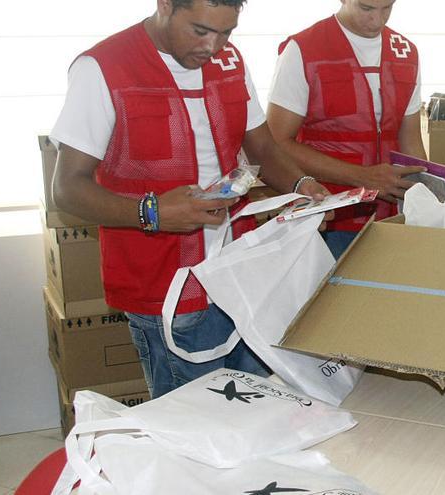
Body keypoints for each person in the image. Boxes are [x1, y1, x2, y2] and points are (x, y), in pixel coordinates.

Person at [50, 0, 330, 398]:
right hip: (167, 291)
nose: (213, 47)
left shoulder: (229, 61)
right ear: (165, 5)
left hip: (240, 281)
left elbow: (263, 151)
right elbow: (67, 189)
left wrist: (302, 187)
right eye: (200, 30)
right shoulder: (103, 68)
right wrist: (152, 212)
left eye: (226, 32)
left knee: (261, 411)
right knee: (192, 432)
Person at [266, 0, 428, 259]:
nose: (377, 20)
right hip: (328, 217)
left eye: (387, 8)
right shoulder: (303, 49)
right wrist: (362, 177)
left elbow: (410, 138)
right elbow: (275, 144)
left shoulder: (406, 52)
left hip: (391, 221)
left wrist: (428, 194)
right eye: (366, 8)